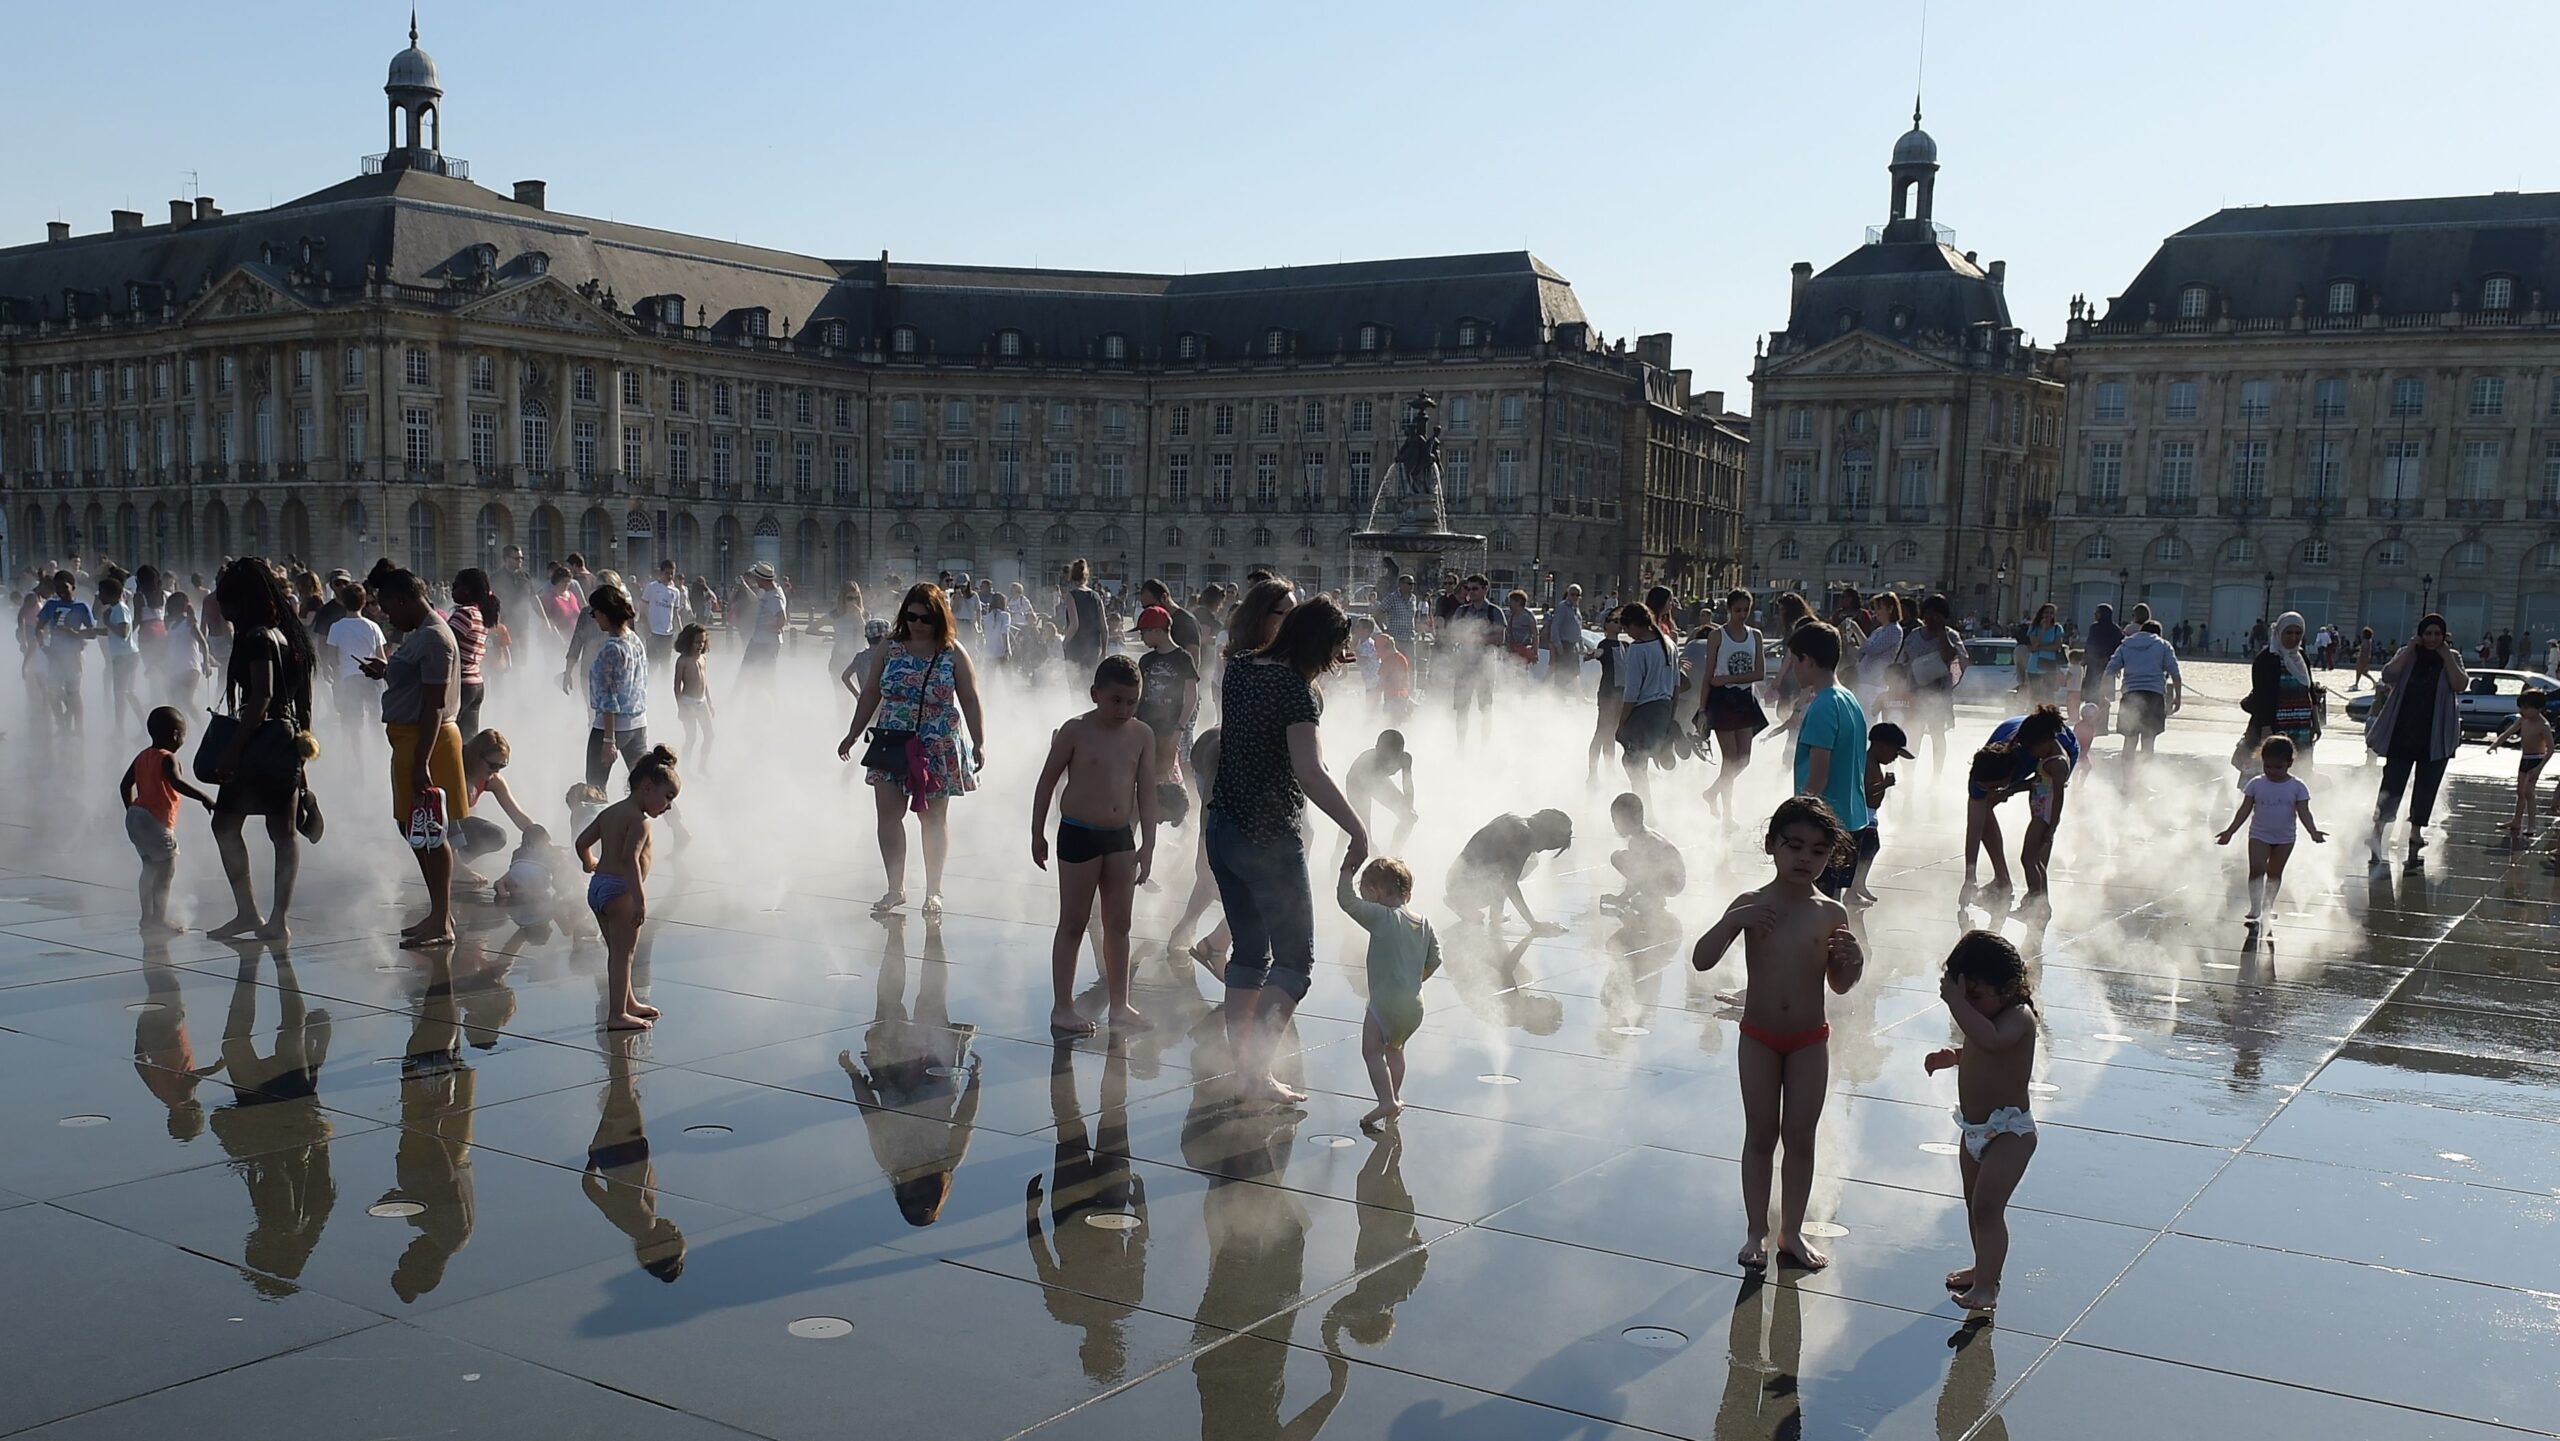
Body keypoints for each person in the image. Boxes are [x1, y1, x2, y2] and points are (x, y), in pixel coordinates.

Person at [1205, 597, 1369, 1109]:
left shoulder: (1238, 669)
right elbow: (1309, 770)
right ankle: (1256, 1074)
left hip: (1223, 830)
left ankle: (1243, 1075)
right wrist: (1356, 829)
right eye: (1334, 651)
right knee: (1295, 964)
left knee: (1251, 955)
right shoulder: (1296, 690)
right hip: (1270, 838)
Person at [1691, 795, 1865, 1270]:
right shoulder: (1752, 905)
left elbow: (1840, 984)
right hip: (1760, 1038)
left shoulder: (1830, 913)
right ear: (1772, 846)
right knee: (1761, 1134)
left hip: (1809, 1040)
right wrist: (1732, 922)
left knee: (1801, 1136)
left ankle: (1791, 1232)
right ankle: (1756, 1232)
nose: (1804, 859)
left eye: (1817, 851)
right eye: (1794, 847)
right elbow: (1702, 959)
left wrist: (1853, 961)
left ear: (1831, 857)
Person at [839, 583, 987, 917]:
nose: (918, 623)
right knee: (889, 816)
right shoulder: (890, 648)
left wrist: (980, 741)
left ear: (939, 618)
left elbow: (971, 698)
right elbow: (871, 691)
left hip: (937, 741)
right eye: (911, 616)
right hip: (892, 738)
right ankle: (895, 888)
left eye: (926, 617)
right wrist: (853, 732)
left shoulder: (952, 651)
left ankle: (934, 891)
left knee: (932, 818)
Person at [1030, 656, 1159, 1035]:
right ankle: (1062, 1007)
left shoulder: (1142, 735)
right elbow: (1046, 783)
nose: (1123, 709)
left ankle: (1121, 1004)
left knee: (1119, 924)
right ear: (1095, 694)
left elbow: (1147, 792)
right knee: (1073, 922)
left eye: (1132, 701)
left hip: (1120, 836)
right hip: (1079, 832)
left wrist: (1148, 843)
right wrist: (1037, 832)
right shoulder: (1075, 731)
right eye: (1115, 700)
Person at [1921, 931, 2039, 1316]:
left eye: (1975, 996)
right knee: (1974, 1206)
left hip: (2010, 1131)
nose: (1967, 1007)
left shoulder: (2018, 1018)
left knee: (1989, 1209)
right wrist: (1953, 1056)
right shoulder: (1987, 1017)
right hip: (1974, 1130)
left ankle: (1989, 1286)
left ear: (2008, 986)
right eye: (1963, 996)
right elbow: (1978, 1047)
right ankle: (1981, 1266)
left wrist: (1958, 1004)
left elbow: (1991, 1041)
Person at [205, 559, 317, 944]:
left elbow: (262, 697)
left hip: (258, 743)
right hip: (284, 743)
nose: (222, 610)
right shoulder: (288, 637)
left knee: (225, 825)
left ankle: (251, 912)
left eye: (226, 602)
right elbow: (299, 703)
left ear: (241, 603)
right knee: (282, 832)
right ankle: (274, 919)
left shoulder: (255, 638)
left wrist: (233, 749)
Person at [361, 569, 470, 949]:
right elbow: (419, 686)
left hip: (429, 742)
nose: (387, 616)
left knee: (430, 829)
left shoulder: (435, 637)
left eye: (388, 607)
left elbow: (435, 706)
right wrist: (388, 672)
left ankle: (442, 920)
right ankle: (440, 913)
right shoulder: (424, 635)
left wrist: (421, 761)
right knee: (414, 827)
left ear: (403, 600)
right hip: (413, 740)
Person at [576, 745, 682, 1030]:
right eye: (668, 797)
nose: (669, 805)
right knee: (624, 956)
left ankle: (629, 1002)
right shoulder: (641, 821)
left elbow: (581, 843)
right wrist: (640, 899)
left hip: (598, 889)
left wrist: (590, 863)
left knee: (617, 952)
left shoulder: (610, 812)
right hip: (621, 891)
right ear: (647, 787)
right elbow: (629, 860)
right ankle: (617, 1015)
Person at [1337, 854, 1442, 1131]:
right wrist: (1412, 979)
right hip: (1414, 1005)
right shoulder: (1423, 923)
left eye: (1366, 895)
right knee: (1395, 1050)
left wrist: (1346, 869)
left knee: (1371, 1052)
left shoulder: (1382, 916)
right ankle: (1393, 1097)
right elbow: (1436, 960)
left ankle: (1387, 1101)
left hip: (1385, 1003)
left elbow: (1346, 902)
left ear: (1374, 892)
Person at [2366, 612, 2465, 869]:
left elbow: (2460, 684)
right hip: (2403, 730)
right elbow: (2388, 675)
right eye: (2428, 633)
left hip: (2435, 734)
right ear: (2421, 634)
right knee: (2393, 781)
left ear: (2444, 636)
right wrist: (2410, 649)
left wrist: (2446, 657)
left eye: (2437, 634)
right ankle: (2378, 829)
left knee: (2427, 785)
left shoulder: (2451, 658)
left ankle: (2415, 831)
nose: (2432, 639)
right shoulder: (2408, 653)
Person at [1785, 622, 1869, 900]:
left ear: (1807, 661)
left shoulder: (1823, 706)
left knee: (1815, 905)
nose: (1792, 668)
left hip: (1825, 824)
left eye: (1793, 660)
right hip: (1852, 818)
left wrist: (1796, 818)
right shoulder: (1848, 699)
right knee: (1830, 903)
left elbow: (1819, 775)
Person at [119, 706, 217, 934]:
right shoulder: (168, 758)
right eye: (183, 734)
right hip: (155, 821)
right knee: (166, 871)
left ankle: (147, 917)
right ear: (175, 735)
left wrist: (131, 811)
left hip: (136, 816)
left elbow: (125, 785)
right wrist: (204, 797)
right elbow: (176, 783)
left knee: (149, 868)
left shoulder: (142, 756)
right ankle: (159, 920)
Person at [1963, 707, 2078, 899]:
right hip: (2017, 731)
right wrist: (1970, 878)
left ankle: (2038, 895)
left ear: (2011, 777)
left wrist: (2051, 830)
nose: (1992, 792)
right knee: (1985, 807)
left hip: (2061, 747)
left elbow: (2046, 791)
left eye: (1996, 787)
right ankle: (2002, 879)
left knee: (2040, 830)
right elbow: (1974, 827)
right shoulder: (1981, 773)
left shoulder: (2044, 754)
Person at [2217, 735, 2326, 921]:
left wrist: (2313, 831)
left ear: (2289, 763)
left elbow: (2304, 812)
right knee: (2256, 870)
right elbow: (2244, 810)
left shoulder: (2297, 787)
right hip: (2259, 835)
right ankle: (2255, 907)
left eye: (2278, 767)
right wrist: (2230, 831)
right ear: (2262, 762)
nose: (2272, 771)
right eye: (2268, 766)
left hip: (2285, 838)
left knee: (2274, 873)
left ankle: (2268, 906)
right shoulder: (2256, 784)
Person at [1690, 590, 1770, 812]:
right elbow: (1708, 675)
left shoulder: (1755, 635)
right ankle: (1727, 812)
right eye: (1737, 610)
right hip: (1723, 699)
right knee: (1730, 759)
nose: (1742, 615)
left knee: (1743, 759)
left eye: (1746, 610)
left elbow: (1759, 673)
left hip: (1744, 698)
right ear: (1729, 610)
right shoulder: (1718, 636)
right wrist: (1703, 708)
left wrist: (1729, 678)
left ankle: (1712, 793)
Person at [1445, 809, 1574, 933]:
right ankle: (1461, 904)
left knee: (1530, 861)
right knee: (1508, 873)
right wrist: (1534, 924)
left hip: (1454, 879)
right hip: (1464, 888)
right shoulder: (1524, 836)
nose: (1541, 849)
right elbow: (1509, 884)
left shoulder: (1512, 818)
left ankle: (1494, 914)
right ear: (1546, 833)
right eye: (1547, 845)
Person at [582, 586, 652, 789]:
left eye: (594, 613)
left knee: (594, 789)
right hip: (638, 723)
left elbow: (609, 697)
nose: (593, 618)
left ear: (604, 614)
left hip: (610, 727)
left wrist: (608, 740)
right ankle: (674, 820)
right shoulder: (635, 640)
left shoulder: (611, 649)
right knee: (645, 784)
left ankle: (596, 821)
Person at [1612, 601, 1682, 792]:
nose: (1627, 633)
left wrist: (1621, 724)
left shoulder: (1638, 649)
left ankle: (1643, 809)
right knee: (1640, 759)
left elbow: (1632, 692)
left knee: (1632, 762)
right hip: (1664, 709)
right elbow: (1676, 685)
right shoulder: (1670, 644)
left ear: (1634, 624)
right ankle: (1664, 747)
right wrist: (1671, 717)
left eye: (1626, 628)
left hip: (1644, 712)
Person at [2104, 610, 2182, 770]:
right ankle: (2142, 780)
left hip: (2131, 695)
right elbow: (2175, 673)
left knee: (2129, 740)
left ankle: (2127, 780)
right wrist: (2177, 698)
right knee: (2148, 741)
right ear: (2159, 633)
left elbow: (2109, 671)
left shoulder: (2126, 644)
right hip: (2154, 696)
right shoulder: (2163, 645)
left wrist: (2102, 694)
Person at [2242, 611, 2322, 767]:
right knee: (2273, 767)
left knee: (2300, 767)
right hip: (2276, 725)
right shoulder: (2266, 658)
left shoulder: (2302, 658)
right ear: (2279, 632)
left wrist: (2315, 722)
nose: (2293, 638)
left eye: (2298, 633)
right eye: (2289, 633)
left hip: (2301, 726)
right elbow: (2262, 696)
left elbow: (2310, 691)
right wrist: (2266, 727)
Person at [1133, 606, 1199, 787]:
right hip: (1144, 729)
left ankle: (1168, 812)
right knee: (1141, 776)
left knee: (1163, 778)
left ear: (1156, 630)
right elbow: (1137, 696)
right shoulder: (1145, 661)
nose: (1141, 637)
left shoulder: (1183, 658)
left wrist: (1179, 729)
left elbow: (1191, 697)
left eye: (1143, 632)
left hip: (1168, 731)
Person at [1899, 594, 1964, 771]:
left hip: (1939, 695)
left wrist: (1941, 632)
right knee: (1913, 736)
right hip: (1915, 694)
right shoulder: (1914, 636)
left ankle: (1937, 775)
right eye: (1927, 614)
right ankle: (1909, 775)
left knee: (1937, 735)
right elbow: (1903, 662)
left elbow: (1951, 657)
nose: (1930, 619)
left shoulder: (1951, 635)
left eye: (1936, 615)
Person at [1601, 791, 1686, 922]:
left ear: (1626, 820)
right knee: (1630, 860)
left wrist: (1622, 898)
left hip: (1670, 882)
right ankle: (1654, 896)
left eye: (1615, 821)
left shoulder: (1638, 841)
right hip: (1676, 880)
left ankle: (1654, 899)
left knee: (1618, 857)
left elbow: (1639, 876)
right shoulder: (1646, 834)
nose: (1615, 826)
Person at [1852, 722, 1913, 904]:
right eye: (1894, 753)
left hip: (1871, 815)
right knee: (1866, 849)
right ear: (1880, 745)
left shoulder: (1874, 763)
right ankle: (1855, 887)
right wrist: (1884, 785)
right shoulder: (1867, 763)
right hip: (1864, 815)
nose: (1895, 758)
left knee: (1869, 849)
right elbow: (1865, 792)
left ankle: (1856, 886)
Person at [32, 570, 97, 733]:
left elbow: (92, 632)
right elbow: (39, 627)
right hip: (55, 655)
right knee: (53, 692)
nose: (61, 591)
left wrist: (76, 635)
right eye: (57, 588)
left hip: (73, 656)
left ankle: (79, 728)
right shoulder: (51, 605)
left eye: (64, 587)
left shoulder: (81, 607)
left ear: (73, 587)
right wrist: (43, 647)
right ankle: (61, 725)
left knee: (73, 692)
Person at [1443, 574, 1505, 740]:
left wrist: (1477, 638)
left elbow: (1500, 638)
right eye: (1468, 589)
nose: (1471, 592)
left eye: (1475, 589)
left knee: (1485, 709)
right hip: (1464, 666)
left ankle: (1483, 746)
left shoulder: (1494, 611)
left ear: (1485, 589)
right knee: (1462, 709)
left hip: (1485, 666)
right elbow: (1453, 635)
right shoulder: (1462, 611)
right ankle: (1460, 745)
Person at [1343, 728, 1419, 857]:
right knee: (1355, 831)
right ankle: (1337, 862)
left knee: (1409, 817)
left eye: (1391, 757)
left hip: (1379, 780)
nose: (1386, 761)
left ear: (1400, 754)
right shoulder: (1366, 763)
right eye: (1383, 756)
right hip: (1356, 783)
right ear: (1377, 748)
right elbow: (1363, 810)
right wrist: (1369, 842)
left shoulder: (1405, 759)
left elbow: (1408, 787)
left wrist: (1409, 809)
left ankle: (1393, 855)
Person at [2494, 690, 2552, 850]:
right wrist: (2496, 744)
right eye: (2521, 707)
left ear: (2539, 709)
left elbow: (2551, 749)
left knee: (2528, 792)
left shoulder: (2543, 725)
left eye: (2526, 708)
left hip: (2536, 759)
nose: (2522, 711)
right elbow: (2509, 732)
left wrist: (2540, 767)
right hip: (2525, 758)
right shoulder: (2522, 720)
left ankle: (2532, 824)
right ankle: (2516, 820)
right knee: (2520, 791)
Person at [446, 570, 495, 739]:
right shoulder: (480, 613)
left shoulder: (465, 614)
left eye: (455, 586)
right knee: (467, 741)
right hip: (476, 683)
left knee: (449, 739)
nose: (452, 590)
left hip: (461, 683)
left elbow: (445, 645)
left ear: (466, 590)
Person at [101, 573, 149, 732]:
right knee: (122, 693)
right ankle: (122, 728)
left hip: (126, 656)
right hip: (122, 656)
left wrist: (107, 622)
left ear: (110, 594)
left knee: (125, 692)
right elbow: (115, 630)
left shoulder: (120, 609)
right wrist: (87, 632)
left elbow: (123, 631)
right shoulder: (115, 609)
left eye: (102, 592)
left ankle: (138, 727)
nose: (99, 596)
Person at [736, 562, 788, 691]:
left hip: (766, 643)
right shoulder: (769, 591)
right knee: (747, 674)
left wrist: (770, 628)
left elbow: (782, 619)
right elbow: (757, 601)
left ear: (762, 579)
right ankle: (739, 699)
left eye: (756, 578)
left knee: (763, 677)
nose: (755, 580)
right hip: (759, 640)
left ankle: (763, 703)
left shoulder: (775, 597)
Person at [1587, 609, 1626, 782]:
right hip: (1608, 694)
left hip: (1620, 695)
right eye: (1614, 621)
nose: (1618, 624)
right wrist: (1592, 655)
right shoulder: (1604, 645)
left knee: (1611, 734)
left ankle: (1610, 771)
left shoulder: (1625, 645)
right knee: (1602, 732)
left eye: (1619, 621)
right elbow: (1597, 654)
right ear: (1606, 625)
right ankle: (1593, 772)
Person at [673, 623, 715, 769]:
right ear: (689, 642)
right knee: (691, 738)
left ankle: (702, 766)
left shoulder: (703, 658)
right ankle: (685, 768)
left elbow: (705, 682)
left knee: (710, 736)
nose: (700, 645)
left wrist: (710, 703)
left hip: (701, 702)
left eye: (702, 642)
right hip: (688, 703)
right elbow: (677, 686)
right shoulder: (682, 661)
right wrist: (681, 707)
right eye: (697, 642)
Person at [1058, 558, 1105, 670]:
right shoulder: (1096, 596)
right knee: (1090, 681)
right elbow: (1104, 627)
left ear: (1071, 576)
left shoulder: (1071, 595)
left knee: (1075, 682)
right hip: (1094, 646)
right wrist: (1104, 651)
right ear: (1086, 576)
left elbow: (1075, 625)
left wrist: (1064, 643)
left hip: (1076, 645)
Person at [641, 560, 688, 670]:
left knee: (666, 664)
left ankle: (664, 685)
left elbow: (676, 614)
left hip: (668, 633)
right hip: (653, 631)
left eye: (672, 573)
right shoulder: (651, 587)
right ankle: (651, 685)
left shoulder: (675, 592)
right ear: (661, 573)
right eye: (667, 573)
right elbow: (643, 609)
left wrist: (681, 632)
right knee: (653, 663)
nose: (670, 576)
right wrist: (646, 628)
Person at [1545, 584, 1586, 691]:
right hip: (1564, 644)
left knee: (1574, 672)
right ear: (1568, 594)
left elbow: (1578, 629)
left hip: (1573, 646)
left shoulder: (1576, 609)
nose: (1575, 597)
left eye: (1577, 595)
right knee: (1562, 672)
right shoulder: (1562, 607)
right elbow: (1555, 626)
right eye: (1572, 594)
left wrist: (1581, 646)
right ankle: (1557, 695)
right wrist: (1558, 644)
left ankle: (1578, 695)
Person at [2022, 603, 2065, 704]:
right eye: (2046, 612)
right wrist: (2042, 629)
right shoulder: (2034, 627)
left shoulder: (2057, 628)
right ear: (2041, 614)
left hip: (2049, 663)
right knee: (2035, 693)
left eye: (2051, 613)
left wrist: (2040, 648)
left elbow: (2056, 646)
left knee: (2049, 693)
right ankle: (2034, 714)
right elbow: (2034, 644)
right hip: (2034, 664)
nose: (2049, 615)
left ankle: (2049, 715)